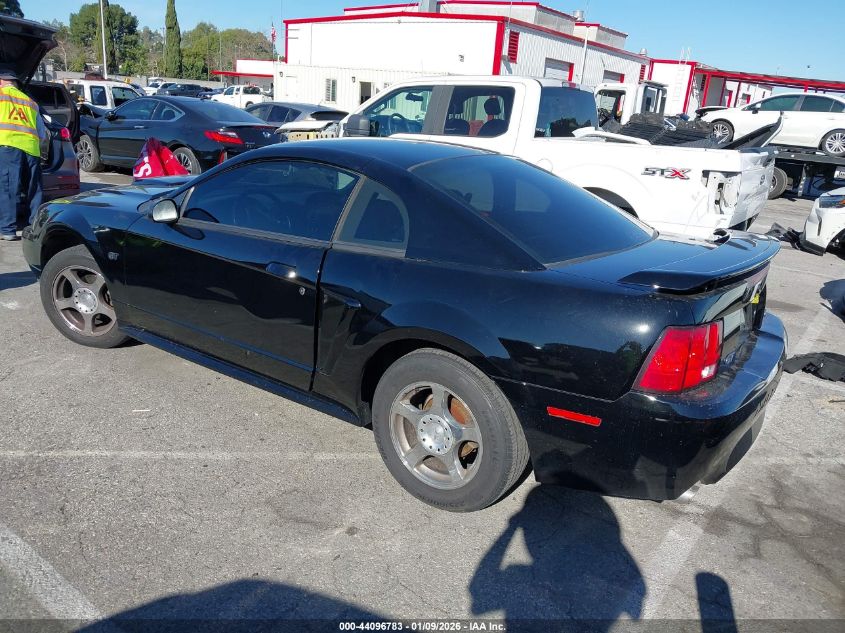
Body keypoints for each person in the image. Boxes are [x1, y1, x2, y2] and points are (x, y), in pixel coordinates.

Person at [0, 71, 47, 242]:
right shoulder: (30, 102)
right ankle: (35, 228)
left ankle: (8, 230)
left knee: (8, 188)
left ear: (2, 82)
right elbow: (42, 133)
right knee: (34, 190)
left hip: (8, 146)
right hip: (31, 149)